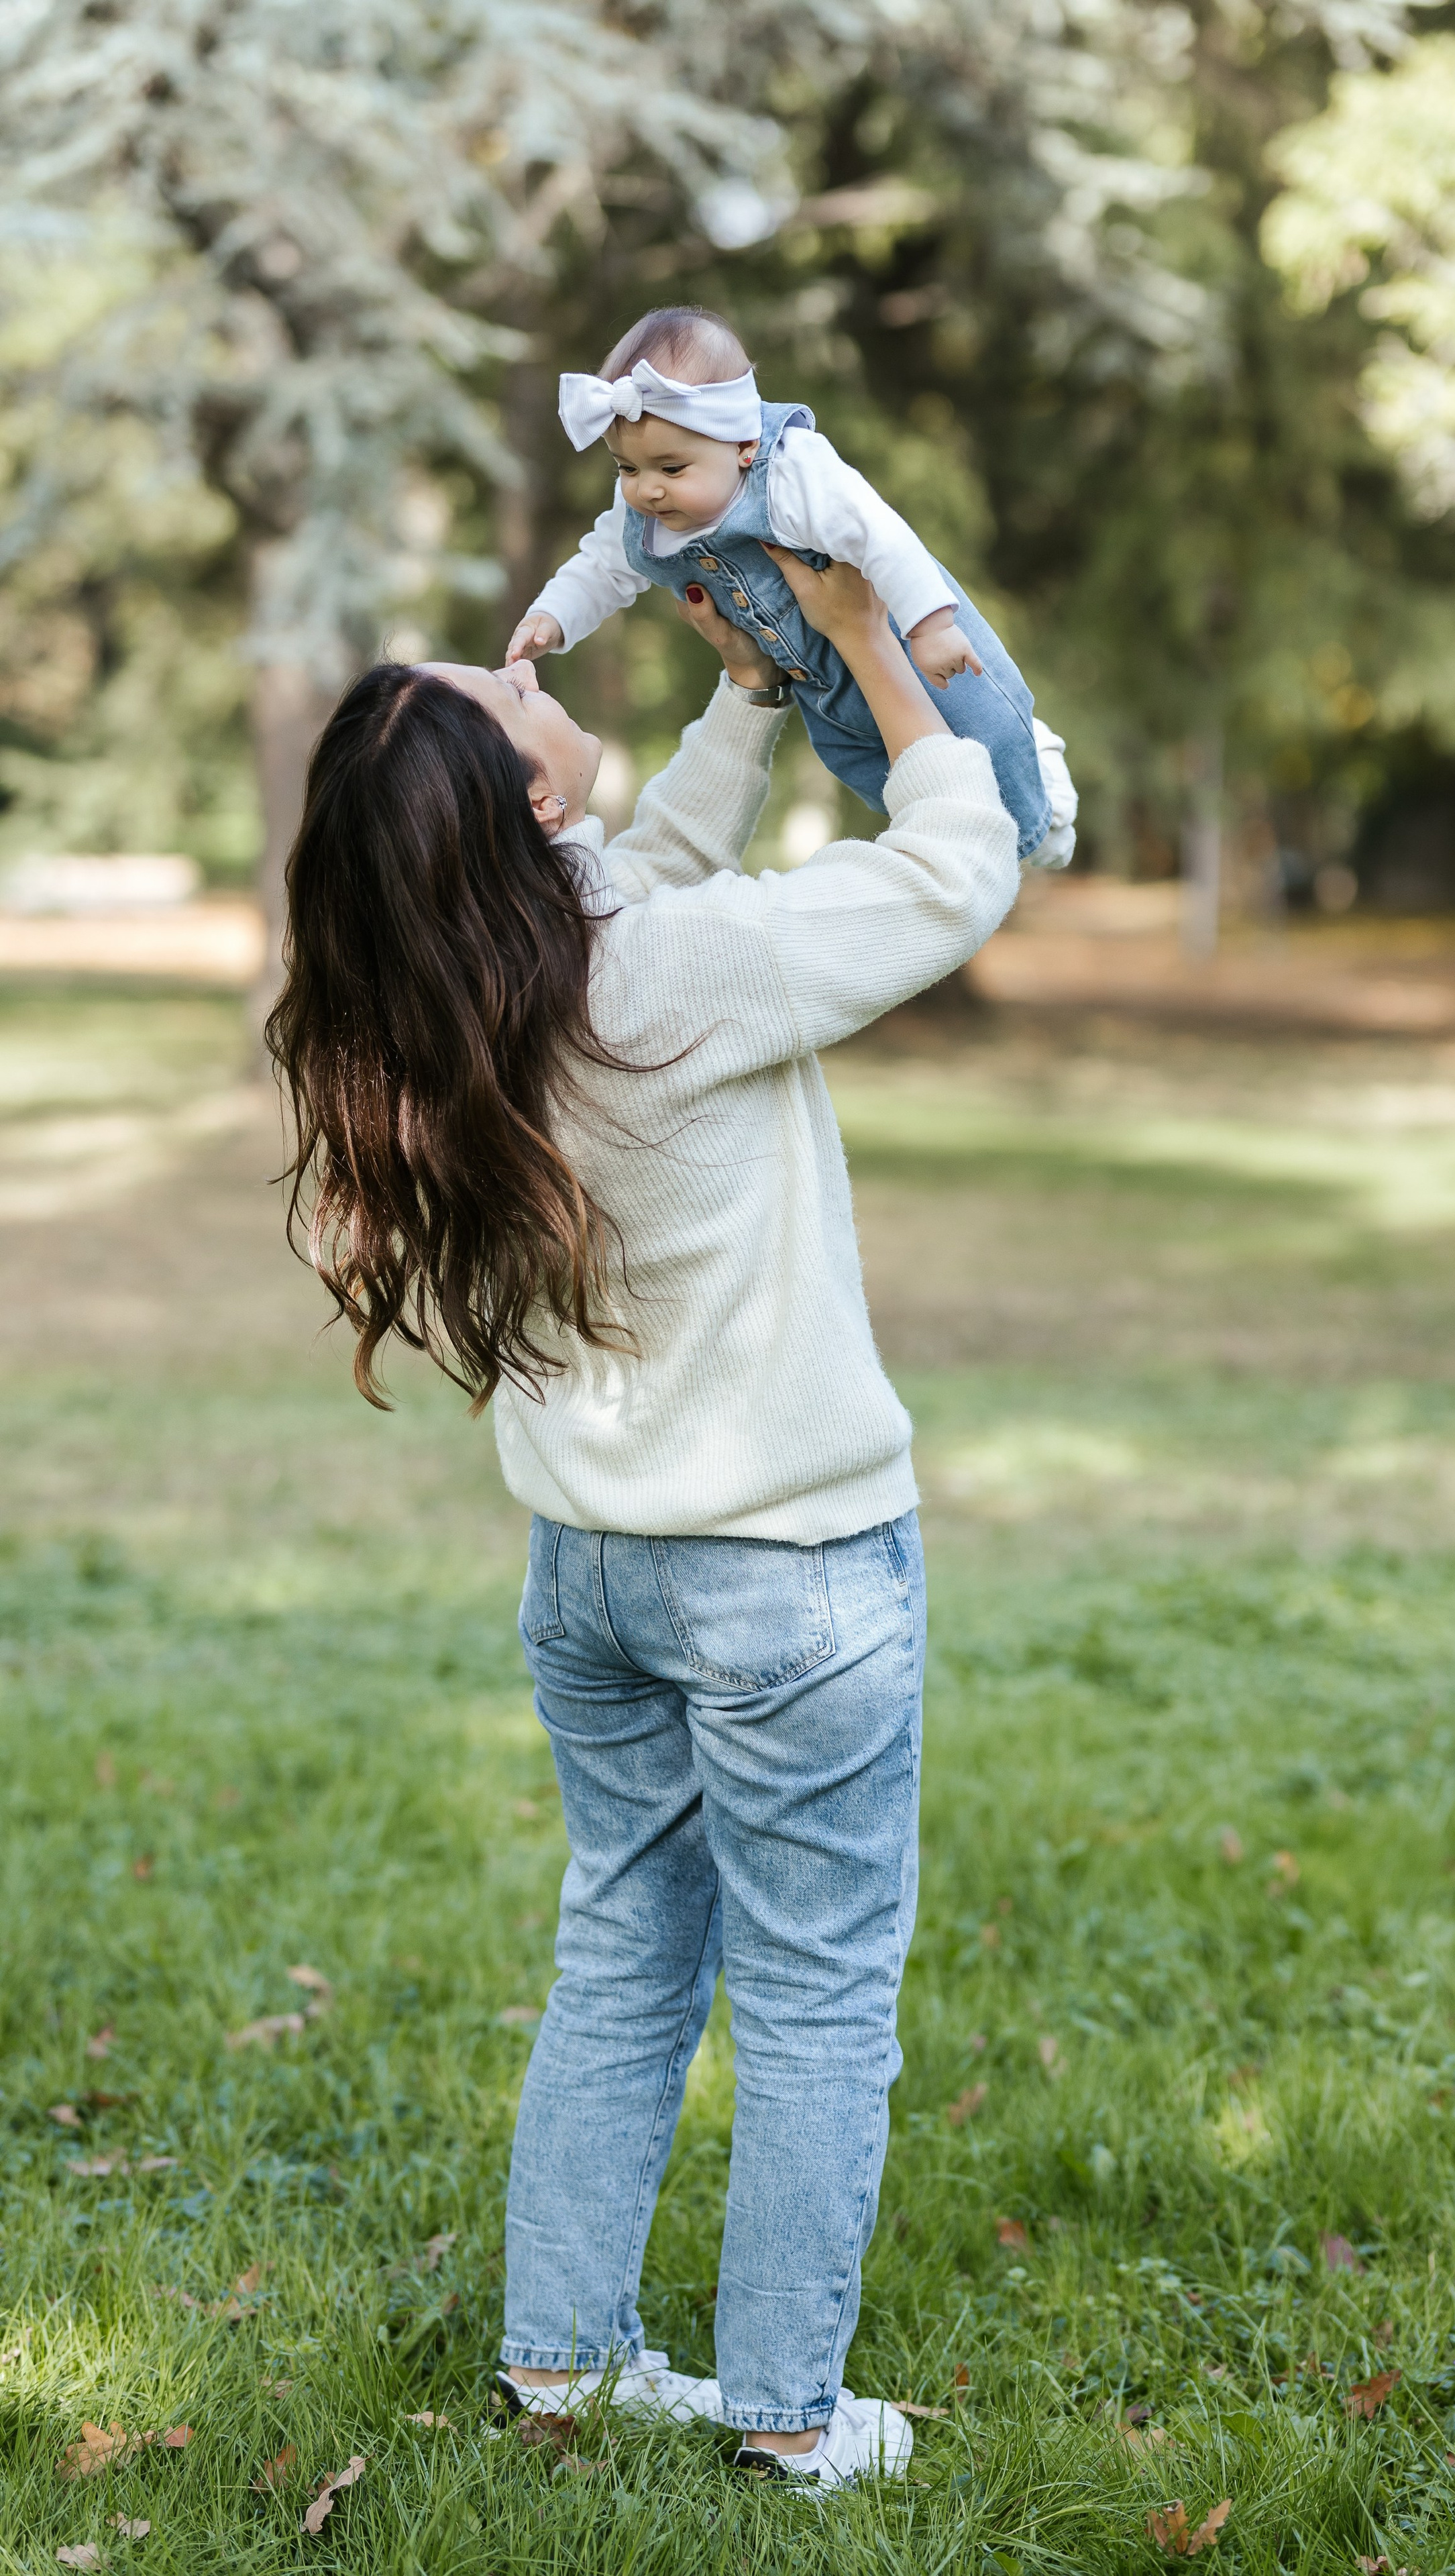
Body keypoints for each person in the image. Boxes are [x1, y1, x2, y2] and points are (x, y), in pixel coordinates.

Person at [265, 552, 1019, 2485]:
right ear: (528, 802)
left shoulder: (461, 1006)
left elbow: (632, 880)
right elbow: (958, 871)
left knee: (622, 1957)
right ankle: (789, 2419)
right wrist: (860, 646)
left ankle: (562, 2367)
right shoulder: (666, 978)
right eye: (509, 691)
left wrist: (750, 702)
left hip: (593, 1575)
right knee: (817, 1991)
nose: (530, 668)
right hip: (786, 1576)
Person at [505, 303, 1077, 869]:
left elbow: (881, 534)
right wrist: (553, 616)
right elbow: (600, 565)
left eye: (671, 469)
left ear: (744, 447)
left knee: (984, 738)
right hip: (820, 688)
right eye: (627, 469)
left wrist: (933, 627)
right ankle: (1005, 836)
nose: (646, 490)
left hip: (904, 639)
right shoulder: (644, 516)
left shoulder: (789, 472)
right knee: (883, 780)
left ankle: (1042, 806)